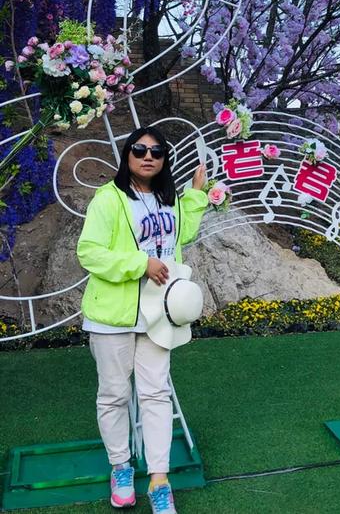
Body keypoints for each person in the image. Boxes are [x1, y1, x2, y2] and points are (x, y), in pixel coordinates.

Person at [77, 125, 207, 514]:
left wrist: (198, 195)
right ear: (127, 156)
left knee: (155, 395)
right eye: (139, 149)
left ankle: (159, 479)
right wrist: (140, 264)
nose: (147, 156)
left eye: (156, 151)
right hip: (113, 315)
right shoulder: (109, 198)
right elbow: (89, 252)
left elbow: (183, 236)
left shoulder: (171, 201)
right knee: (114, 395)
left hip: (159, 314)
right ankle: (120, 466)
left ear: (165, 159)